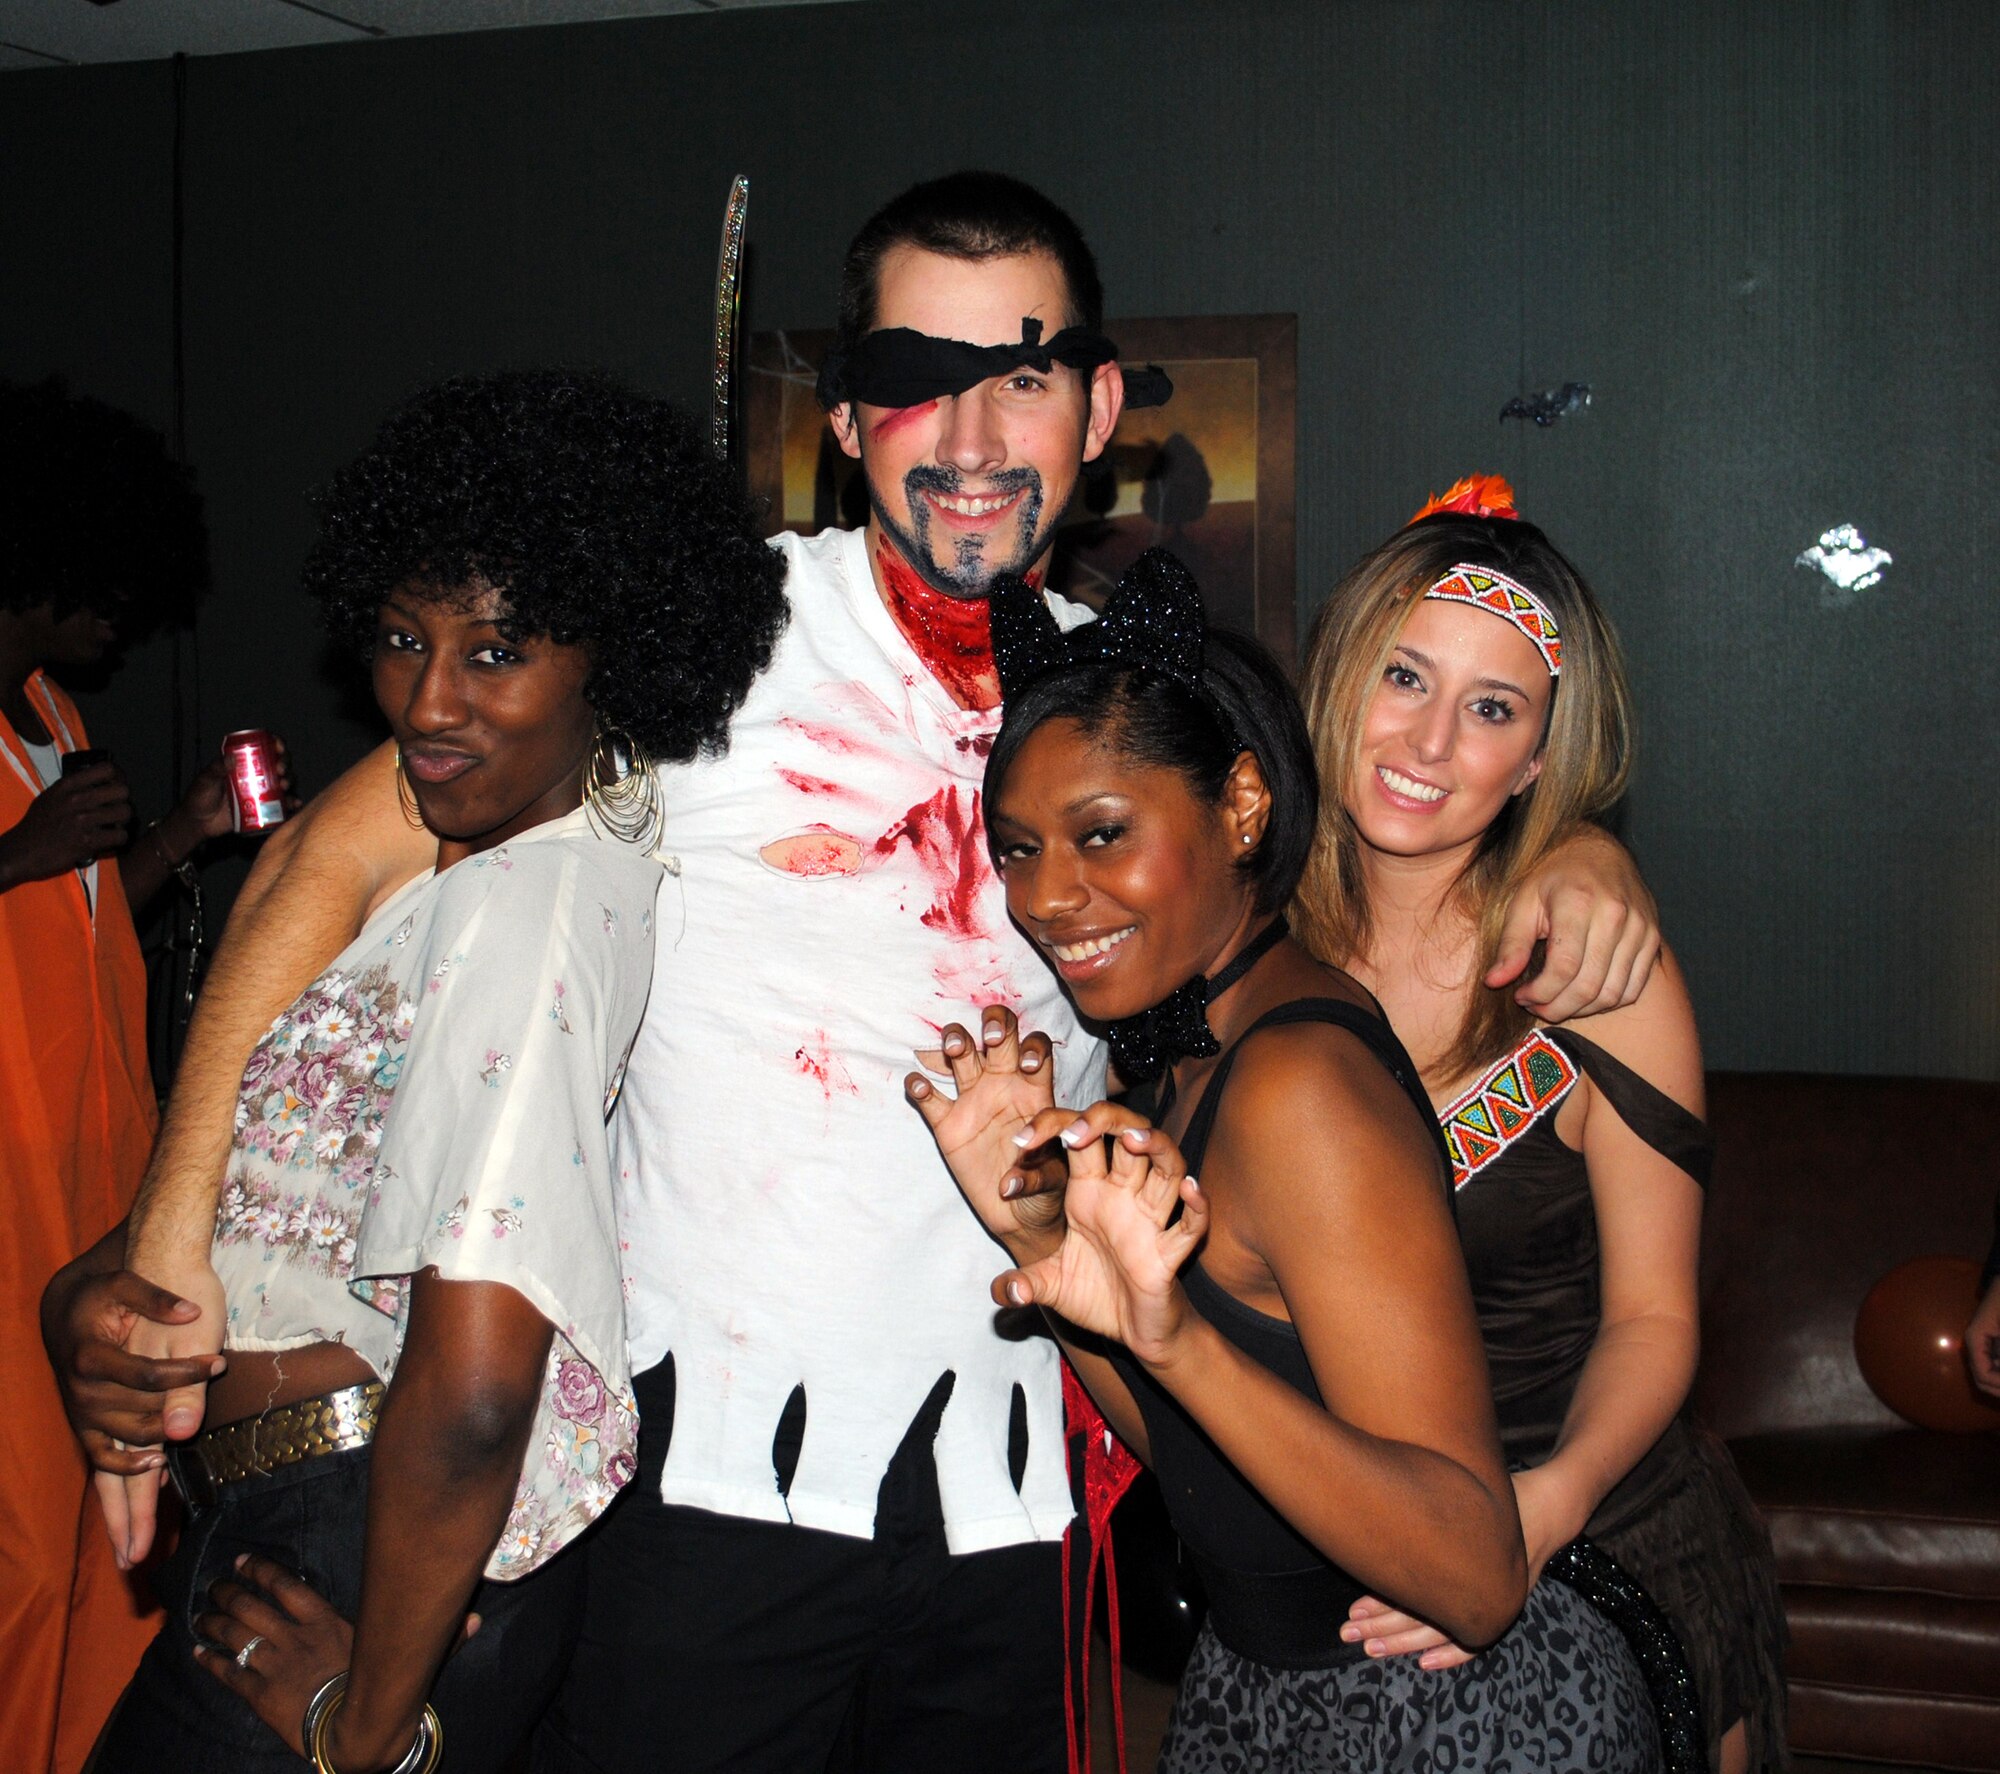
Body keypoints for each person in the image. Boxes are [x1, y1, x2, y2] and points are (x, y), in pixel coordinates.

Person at [47, 176, 1662, 1773]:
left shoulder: (1138, 702)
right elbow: (336, 853)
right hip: (703, 1495)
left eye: (1020, 375)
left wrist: (1577, 851)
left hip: (1025, 1493)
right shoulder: (706, 641)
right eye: (911, 381)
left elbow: (1350, 864)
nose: (967, 438)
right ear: (844, 418)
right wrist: (168, 1249)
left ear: (1098, 407)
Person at [67, 367, 787, 1772]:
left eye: (497, 652)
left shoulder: (540, 907)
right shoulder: (469, 851)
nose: (430, 700)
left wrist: (370, 1728)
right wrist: (98, 1300)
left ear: (613, 653)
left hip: (366, 1552)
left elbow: (470, 1396)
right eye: (404, 639)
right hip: (307, 1530)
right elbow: (305, 891)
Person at [910, 548, 1662, 1772]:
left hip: (1439, 1719)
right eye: (1019, 849)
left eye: (1101, 833)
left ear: (1244, 807)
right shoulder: (1182, 1050)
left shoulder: (1295, 1087)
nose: (1049, 897)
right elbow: (1205, 1461)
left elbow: (1471, 1578)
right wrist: (1040, 1240)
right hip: (1265, 1690)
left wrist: (1176, 1340)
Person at [1288, 477, 1788, 1772]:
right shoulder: (1243, 950)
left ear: (1536, 761)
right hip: (1325, 1541)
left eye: (1492, 707)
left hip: (1586, 1532)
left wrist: (1538, 1510)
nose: (1431, 739)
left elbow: (1654, 1321)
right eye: (1405, 674)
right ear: (1339, 674)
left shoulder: (1599, 981)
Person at [0, 376, 285, 1774]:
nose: (120, 625)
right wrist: (20, 851)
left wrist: (180, 832)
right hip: (3, 1204)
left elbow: (82, 905)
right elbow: (30, 875)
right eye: (105, 586)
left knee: (94, 1539)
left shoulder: (49, 709)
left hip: (87, 1191)